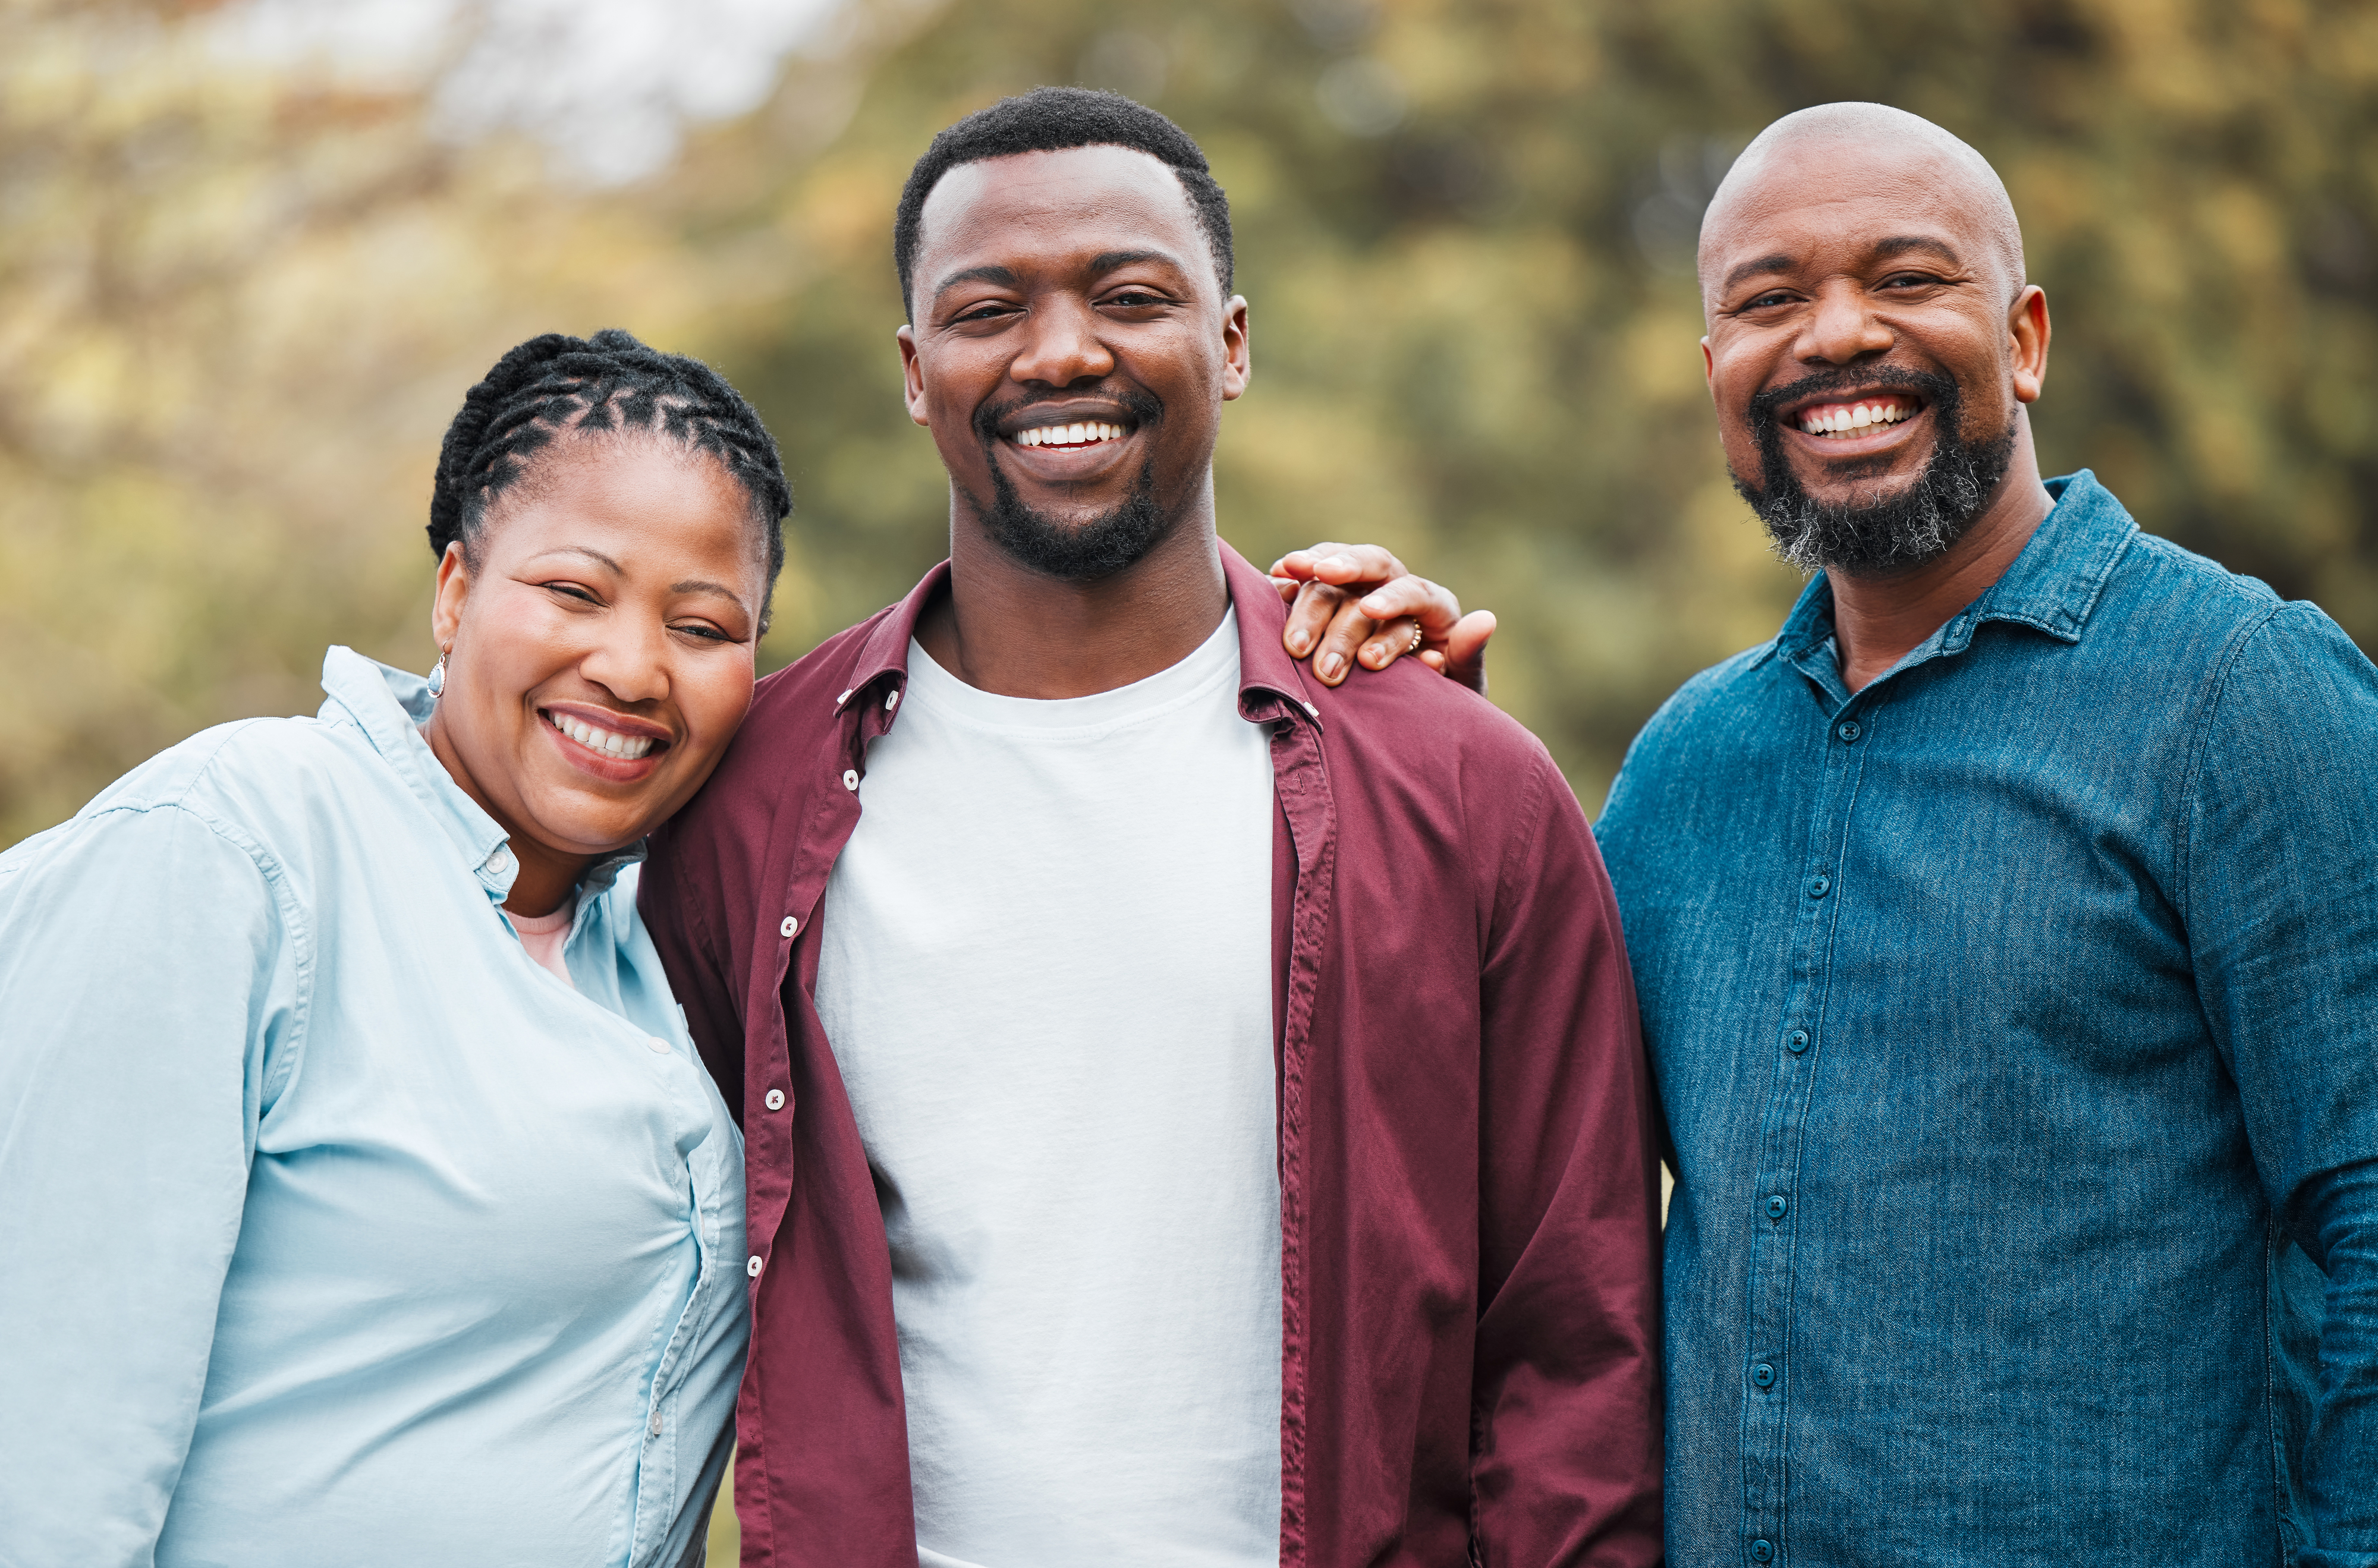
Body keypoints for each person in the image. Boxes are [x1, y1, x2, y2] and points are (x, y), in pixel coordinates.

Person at [1277, 103, 2378, 1564]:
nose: (1833, 337)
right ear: (1716, 375)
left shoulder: (2241, 693)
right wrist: (1430, 760)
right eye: (1768, 300)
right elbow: (1523, 1168)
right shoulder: (1684, 767)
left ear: (2025, 337)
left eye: (1907, 279)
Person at [638, 88, 1663, 1567]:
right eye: (989, 308)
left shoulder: (1461, 784)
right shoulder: (747, 797)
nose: (1062, 351)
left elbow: (1573, 1344)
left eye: (1128, 296)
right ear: (915, 372)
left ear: (1229, 344)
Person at [0, 329, 789, 1567]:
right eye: (576, 592)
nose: (634, 666)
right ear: (456, 591)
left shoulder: (664, 954)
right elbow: (40, 1454)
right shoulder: (230, 846)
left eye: (703, 625)